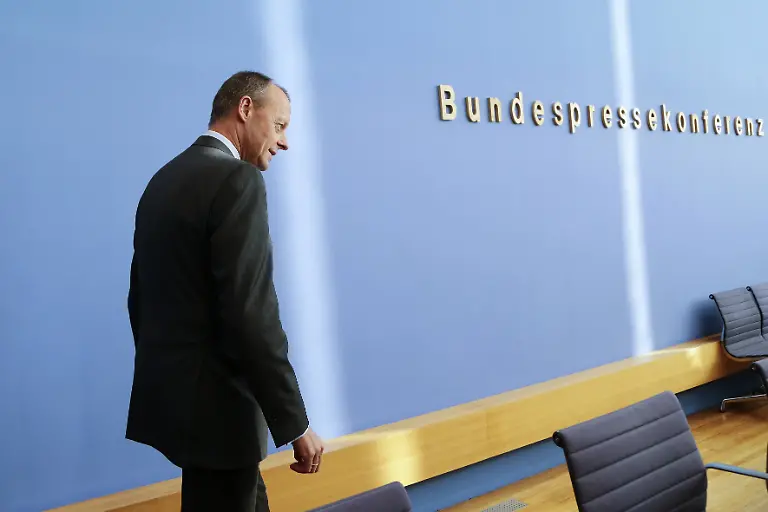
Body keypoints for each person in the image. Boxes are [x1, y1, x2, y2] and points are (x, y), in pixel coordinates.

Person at [126, 71, 324, 512]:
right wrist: (295, 423)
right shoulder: (239, 181)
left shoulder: (163, 180)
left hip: (182, 411)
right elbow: (251, 316)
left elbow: (140, 299)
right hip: (222, 417)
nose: (284, 142)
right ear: (246, 109)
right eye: (280, 125)